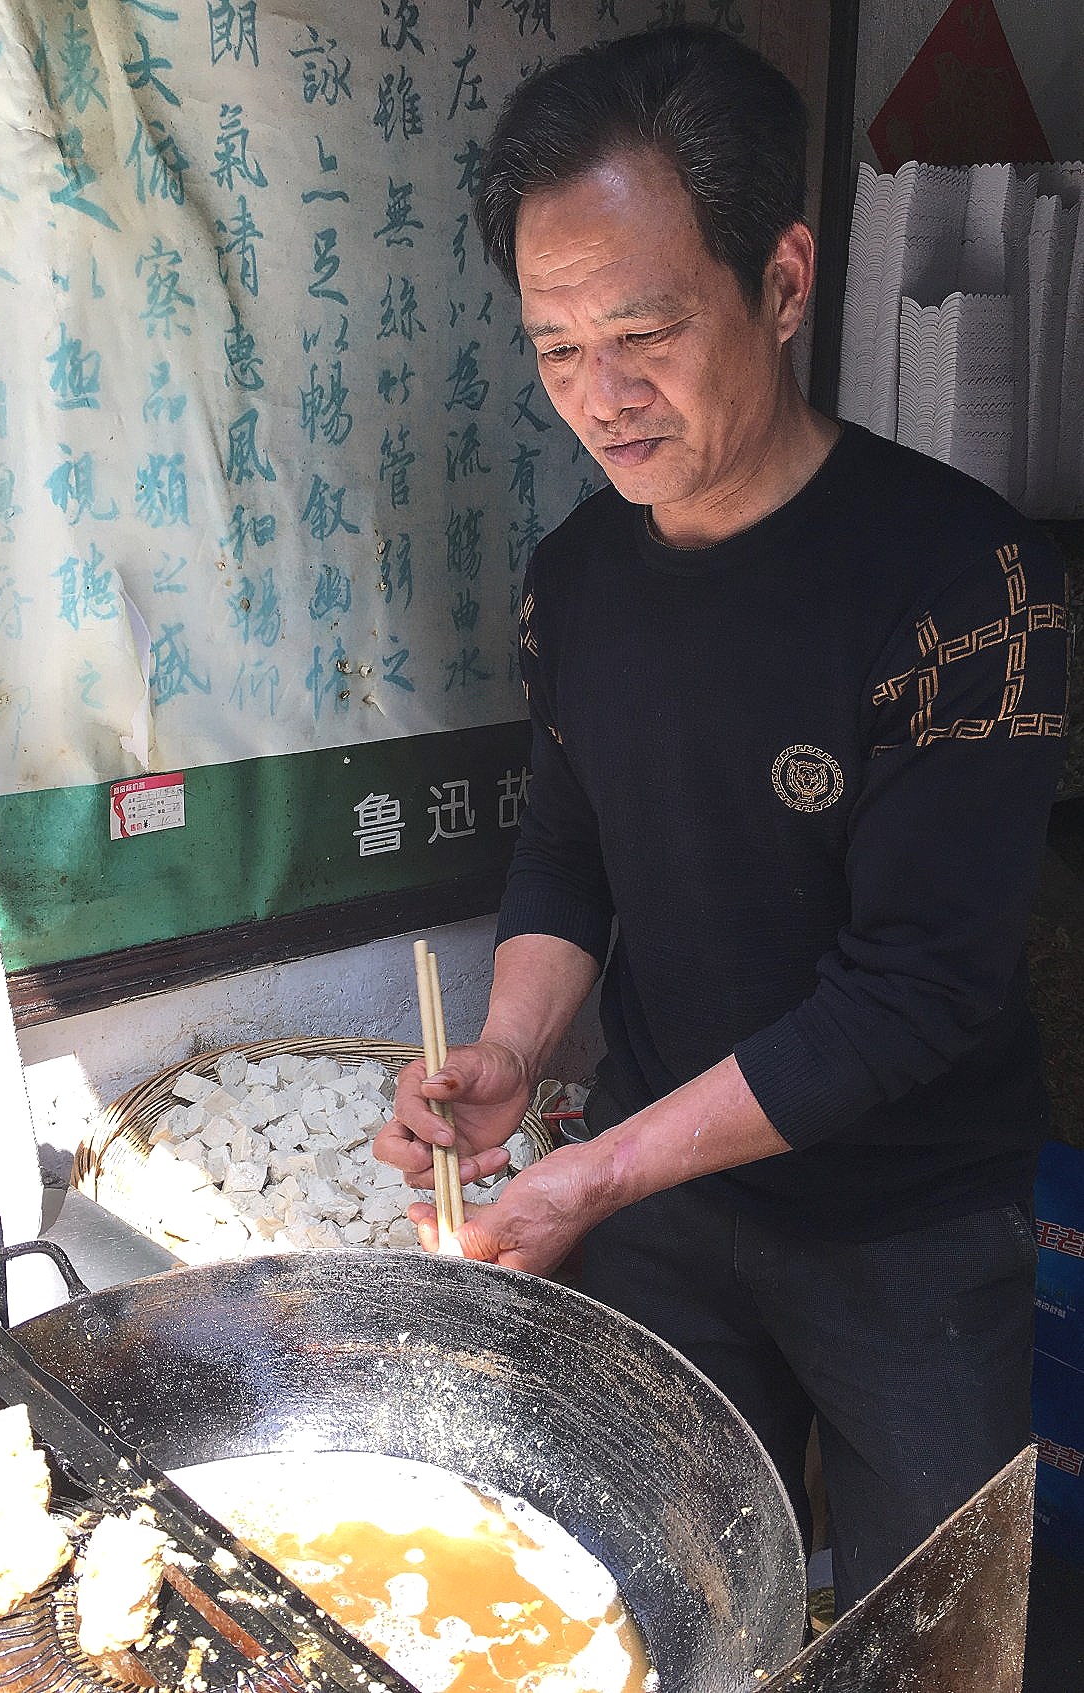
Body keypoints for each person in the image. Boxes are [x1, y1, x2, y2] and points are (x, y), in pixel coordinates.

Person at [375, 25, 1069, 1615]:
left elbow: (921, 987)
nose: (600, 400)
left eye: (643, 331)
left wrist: (595, 1170)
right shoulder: (578, 576)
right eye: (554, 348)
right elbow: (570, 843)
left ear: (781, 276)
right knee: (662, 1597)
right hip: (669, 1213)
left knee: (927, 1628)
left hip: (911, 1228)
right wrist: (509, 1048)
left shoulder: (968, 583)